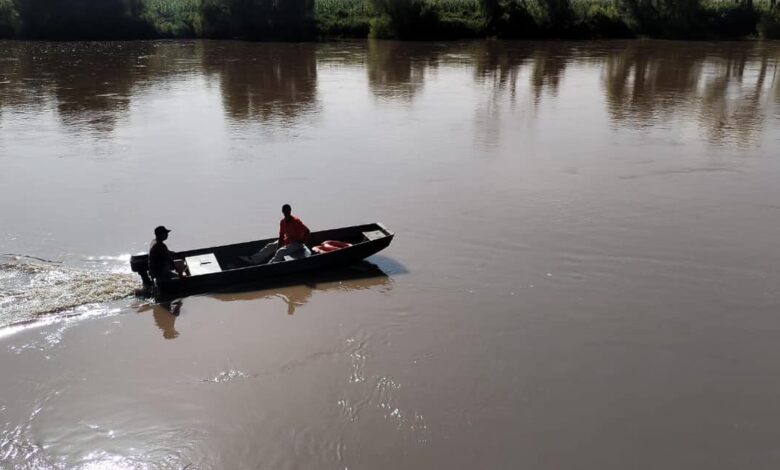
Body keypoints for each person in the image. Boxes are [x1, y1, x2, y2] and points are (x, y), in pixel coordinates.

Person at [242, 204, 312, 265]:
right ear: (283, 212)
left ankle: (271, 266)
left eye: (288, 211)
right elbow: (281, 236)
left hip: (296, 243)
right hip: (287, 241)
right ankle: (253, 260)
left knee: (280, 251)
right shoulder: (282, 222)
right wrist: (278, 246)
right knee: (270, 246)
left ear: (290, 211)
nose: (287, 213)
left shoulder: (296, 221)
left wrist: (302, 241)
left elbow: (307, 231)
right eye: (285, 211)